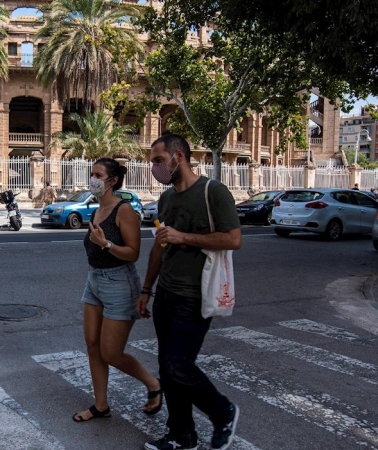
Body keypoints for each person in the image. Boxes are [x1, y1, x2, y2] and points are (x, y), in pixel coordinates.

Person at [137, 135, 242, 450]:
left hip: (196, 295)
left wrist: (185, 237)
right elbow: (161, 245)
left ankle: (223, 411)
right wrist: (146, 289)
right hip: (166, 294)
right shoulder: (167, 199)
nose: (153, 166)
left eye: (157, 160)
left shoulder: (213, 192)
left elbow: (233, 239)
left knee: (178, 365)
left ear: (177, 156)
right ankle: (182, 436)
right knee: (167, 370)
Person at [73, 158, 163, 423]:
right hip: (94, 281)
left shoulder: (124, 210)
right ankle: (101, 406)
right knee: (92, 345)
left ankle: (153, 384)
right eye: (92, 174)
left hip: (119, 284)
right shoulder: (97, 208)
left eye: (98, 175)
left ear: (112, 181)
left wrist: (106, 244)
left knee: (110, 353)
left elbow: (133, 254)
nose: (93, 180)